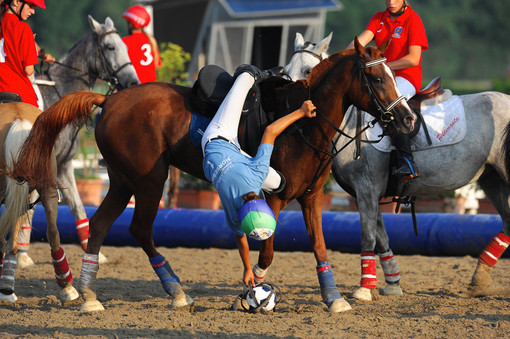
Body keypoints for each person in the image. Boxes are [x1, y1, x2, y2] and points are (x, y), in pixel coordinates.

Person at [201, 65, 316, 287]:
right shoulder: (235, 211)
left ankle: (259, 73)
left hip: (219, 134)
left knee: (246, 77)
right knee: (279, 182)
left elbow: (271, 131)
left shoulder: (256, 173)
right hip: (216, 160)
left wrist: (301, 112)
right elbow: (241, 239)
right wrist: (247, 268)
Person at [347, 0, 428, 180]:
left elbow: (414, 59)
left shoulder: (413, 20)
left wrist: (384, 67)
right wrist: (344, 57)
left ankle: (407, 161)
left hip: (406, 77)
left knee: (392, 106)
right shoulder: (378, 18)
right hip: (380, 77)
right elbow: (357, 44)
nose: (391, 2)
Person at [0, 0, 47, 107]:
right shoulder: (24, 29)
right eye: (30, 6)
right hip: (20, 94)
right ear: (16, 2)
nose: (33, 11)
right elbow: (29, 70)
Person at [122, 5, 161, 83]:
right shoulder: (151, 40)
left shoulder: (125, 41)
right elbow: (158, 65)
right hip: (152, 86)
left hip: (136, 87)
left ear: (131, 24)